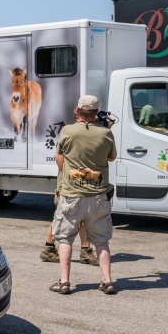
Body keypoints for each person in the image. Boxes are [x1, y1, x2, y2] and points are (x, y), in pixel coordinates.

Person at [49, 95, 118, 295]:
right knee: (101, 241)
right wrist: (107, 129)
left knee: (65, 239)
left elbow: (60, 153)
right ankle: (107, 281)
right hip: (98, 196)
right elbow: (111, 158)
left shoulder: (68, 131)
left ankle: (64, 282)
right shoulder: (106, 133)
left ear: (78, 111)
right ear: (97, 113)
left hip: (72, 195)